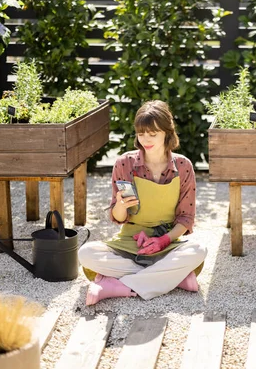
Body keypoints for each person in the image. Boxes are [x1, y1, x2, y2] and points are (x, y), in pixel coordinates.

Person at [78, 100, 207, 306]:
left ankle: (117, 286)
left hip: (167, 243)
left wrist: (163, 241)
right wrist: (120, 205)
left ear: (167, 132)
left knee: (199, 250)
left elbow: (186, 218)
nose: (146, 139)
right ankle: (174, 278)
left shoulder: (183, 166)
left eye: (153, 133)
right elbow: (119, 218)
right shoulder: (124, 163)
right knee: (86, 254)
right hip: (130, 243)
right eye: (141, 133)